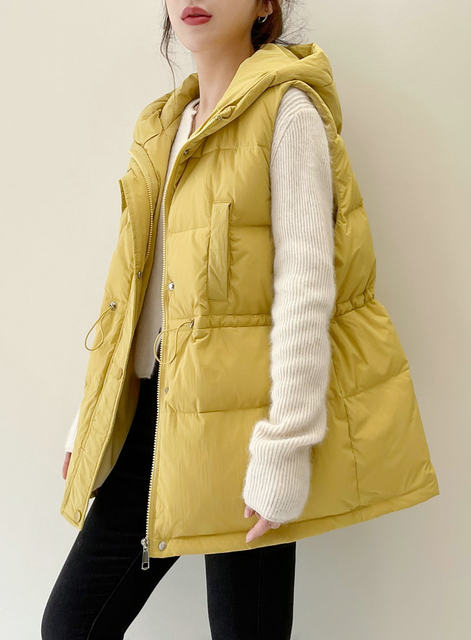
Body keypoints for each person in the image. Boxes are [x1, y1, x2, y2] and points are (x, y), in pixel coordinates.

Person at [43, 0, 440, 638]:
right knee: (70, 626)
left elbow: (306, 292)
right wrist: (92, 415)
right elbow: (133, 290)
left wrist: (285, 448)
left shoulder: (288, 112)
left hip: (249, 433)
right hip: (152, 417)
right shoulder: (162, 126)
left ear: (264, 3)